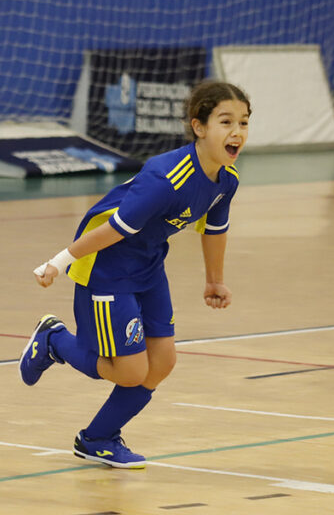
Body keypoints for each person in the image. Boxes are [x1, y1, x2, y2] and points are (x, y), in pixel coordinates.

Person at [19, 80, 250, 469]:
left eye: (243, 122)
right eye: (226, 122)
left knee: (162, 363)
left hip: (149, 265)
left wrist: (214, 280)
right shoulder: (167, 178)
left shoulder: (226, 180)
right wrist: (58, 262)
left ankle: (97, 439)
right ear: (198, 127)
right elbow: (113, 230)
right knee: (129, 371)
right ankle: (53, 340)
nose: (237, 132)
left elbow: (215, 229)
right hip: (107, 266)